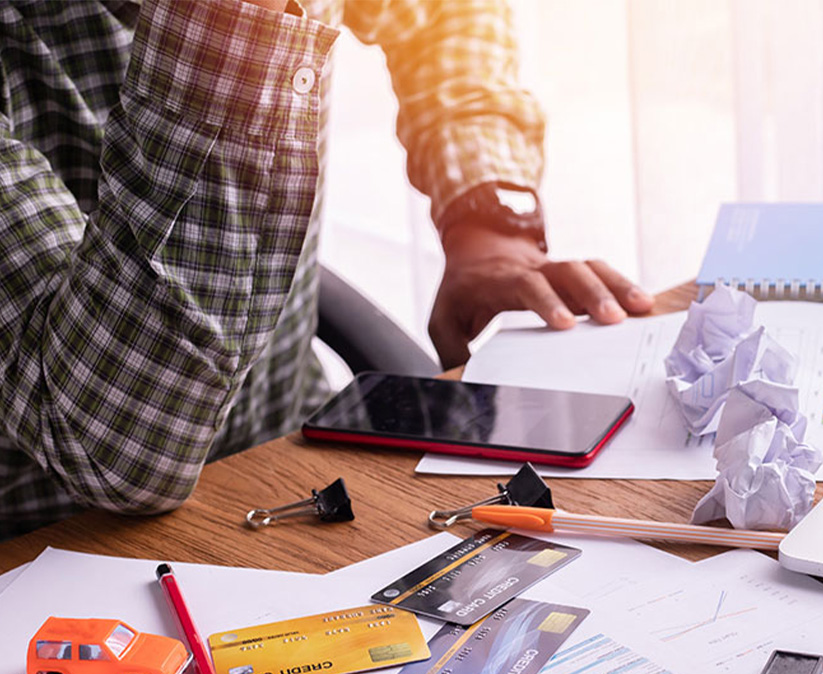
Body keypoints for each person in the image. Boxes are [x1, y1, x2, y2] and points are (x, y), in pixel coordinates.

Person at [0, 0, 652, 536]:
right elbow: (112, 454)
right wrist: (233, 25)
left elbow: (445, 15)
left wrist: (488, 220)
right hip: (57, 544)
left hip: (283, 456)